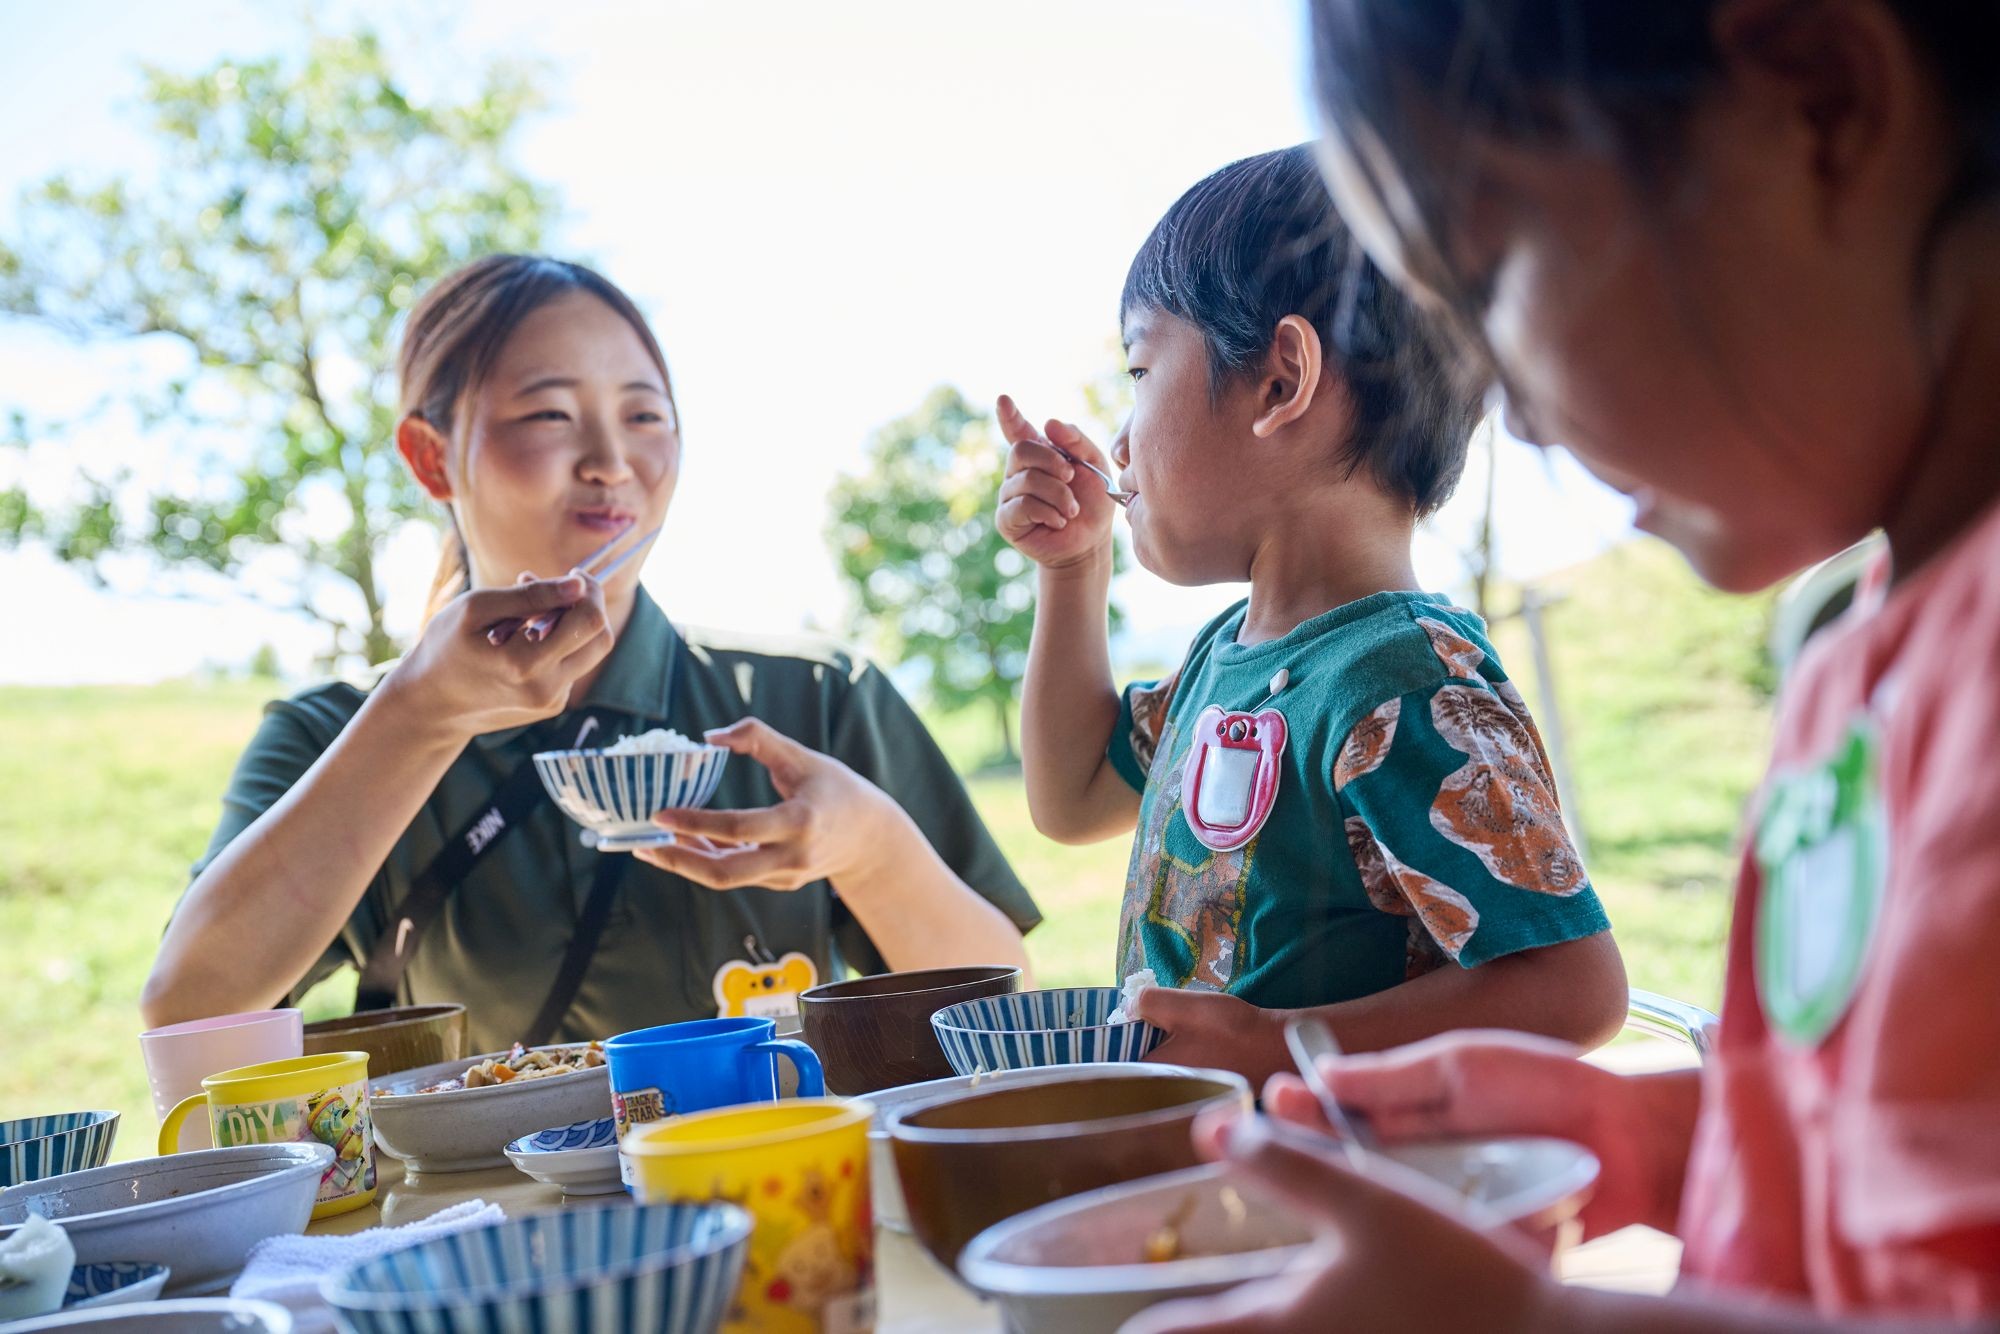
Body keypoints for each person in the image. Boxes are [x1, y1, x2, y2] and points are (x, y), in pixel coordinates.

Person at [1132, 2, 2000, 1330]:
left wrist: (1540, 1322)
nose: (1511, 407)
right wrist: (1651, 1136)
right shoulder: (1865, 657)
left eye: (1489, 278)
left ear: (1817, 100)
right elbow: (1912, 1142)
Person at [143, 255, 1037, 1052]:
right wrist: (420, 717)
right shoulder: (335, 734)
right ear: (430, 457)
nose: (612, 460)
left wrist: (872, 852)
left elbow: (1007, 1013)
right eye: (550, 414)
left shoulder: (813, 701)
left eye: (645, 414)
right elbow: (187, 1014)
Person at [995, 145, 1625, 1087]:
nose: (1118, 440)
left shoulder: (1403, 682)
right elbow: (1074, 794)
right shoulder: (1227, 656)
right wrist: (1073, 568)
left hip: (1341, 1173)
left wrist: (1275, 1047)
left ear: (1281, 382)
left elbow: (1573, 989)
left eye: (1139, 368)